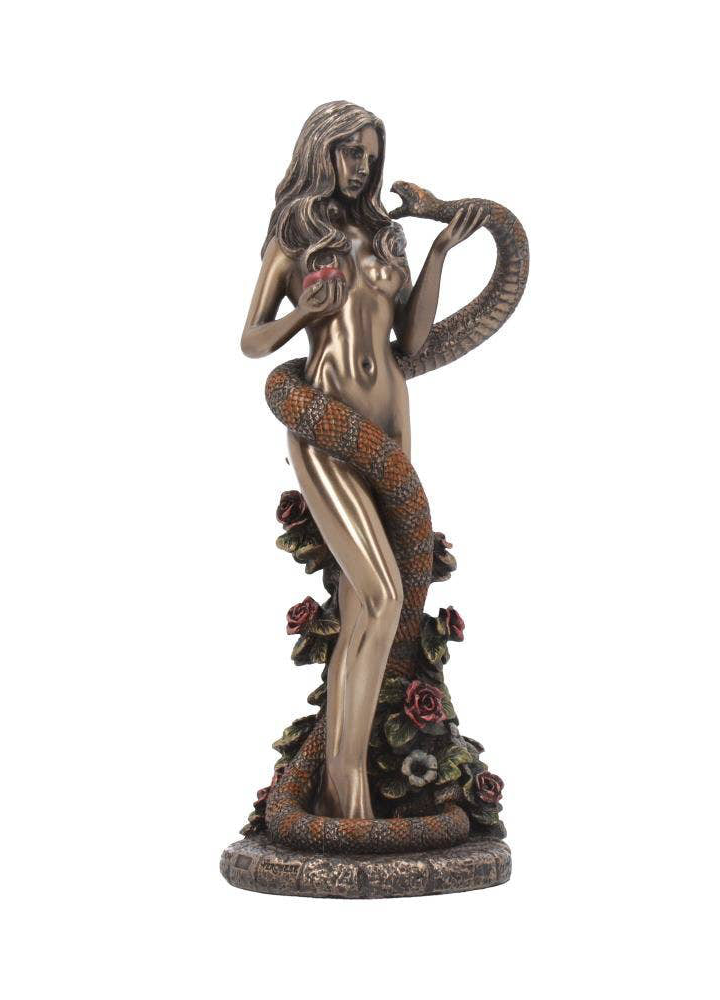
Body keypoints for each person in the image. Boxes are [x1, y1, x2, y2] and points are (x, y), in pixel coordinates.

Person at [241, 101, 485, 819]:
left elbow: (412, 342)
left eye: (371, 156)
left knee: (363, 607)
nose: (362, 167)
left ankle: (344, 785)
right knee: (382, 595)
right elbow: (252, 339)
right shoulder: (296, 236)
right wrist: (303, 315)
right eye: (351, 153)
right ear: (321, 152)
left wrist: (437, 256)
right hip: (328, 425)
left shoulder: (384, 236)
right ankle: (346, 785)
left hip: (391, 423)